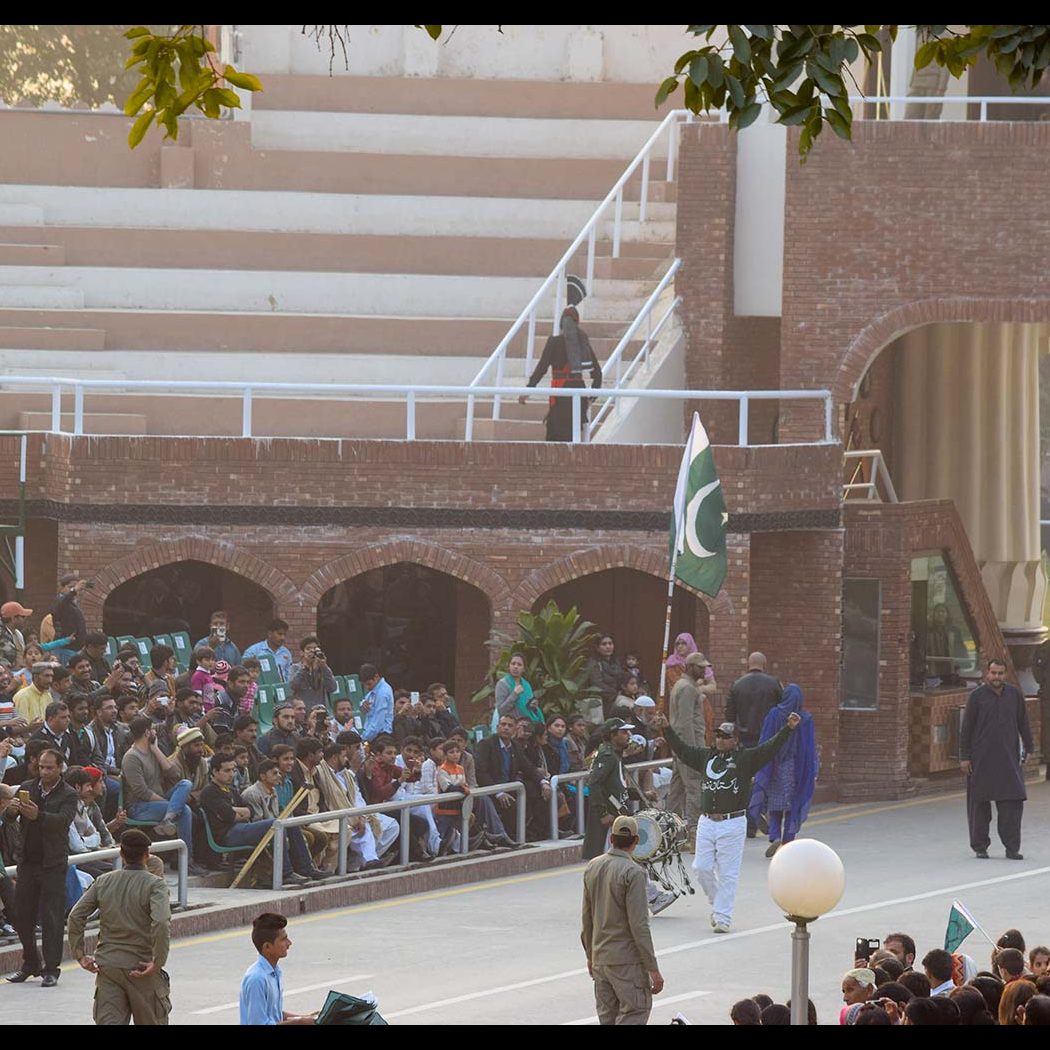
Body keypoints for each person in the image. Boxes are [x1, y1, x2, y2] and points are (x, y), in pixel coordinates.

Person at [658, 713, 800, 932]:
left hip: (732, 822)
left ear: (735, 740)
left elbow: (769, 749)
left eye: (726, 736)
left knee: (728, 873)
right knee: (701, 867)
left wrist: (788, 729)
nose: (720, 740)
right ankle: (718, 904)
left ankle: (723, 918)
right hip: (706, 821)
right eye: (718, 736)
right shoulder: (706, 757)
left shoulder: (745, 759)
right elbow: (683, 750)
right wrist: (667, 729)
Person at [67, 829, 172, 1025]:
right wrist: (158, 962)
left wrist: (80, 954)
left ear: (121, 853)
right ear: (147, 855)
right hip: (142, 967)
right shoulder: (155, 885)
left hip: (109, 967)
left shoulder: (104, 881)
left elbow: (75, 916)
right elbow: (160, 922)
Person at [583, 717, 675, 916]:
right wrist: (603, 813)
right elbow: (594, 784)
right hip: (613, 819)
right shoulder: (607, 756)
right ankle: (649, 898)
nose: (628, 736)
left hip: (618, 817)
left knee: (628, 860)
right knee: (626, 860)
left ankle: (647, 898)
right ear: (612, 734)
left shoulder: (614, 756)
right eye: (624, 732)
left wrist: (641, 794)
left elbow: (616, 789)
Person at [4, 747, 79, 985]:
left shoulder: (67, 794)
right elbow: (7, 818)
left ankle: (51, 969)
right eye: (41, 767)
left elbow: (63, 821)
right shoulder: (28, 787)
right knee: (21, 915)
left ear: (59, 768)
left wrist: (40, 815)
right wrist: (12, 810)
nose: (44, 771)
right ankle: (30, 963)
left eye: (49, 767)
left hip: (53, 863)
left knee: (51, 917)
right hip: (28, 861)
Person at [580, 814, 664, 1026]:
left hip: (601, 960)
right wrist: (652, 968)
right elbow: (639, 925)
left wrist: (591, 956)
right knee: (635, 1011)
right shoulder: (633, 872)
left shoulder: (593, 867)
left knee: (608, 1018)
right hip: (626, 963)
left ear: (611, 838)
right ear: (636, 841)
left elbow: (587, 920)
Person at [960, 656, 1032, 859]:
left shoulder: (1014, 695)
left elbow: (1023, 723)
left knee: (1013, 802)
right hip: (980, 760)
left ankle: (1012, 848)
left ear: (1006, 674)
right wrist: (964, 757)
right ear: (987, 673)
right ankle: (980, 846)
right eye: (993, 673)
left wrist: (1030, 747)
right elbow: (966, 730)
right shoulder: (976, 697)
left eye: (1000, 673)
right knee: (979, 805)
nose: (996, 677)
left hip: (1008, 760)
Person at [121, 715, 207, 876]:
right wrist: (170, 803)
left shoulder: (153, 751)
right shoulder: (131, 757)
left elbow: (174, 774)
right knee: (185, 810)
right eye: (152, 729)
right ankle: (186, 860)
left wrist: (155, 749)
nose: (155, 731)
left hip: (160, 803)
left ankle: (168, 818)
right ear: (147, 732)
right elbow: (142, 792)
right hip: (139, 806)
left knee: (185, 784)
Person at [747, 683, 818, 857]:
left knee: (775, 806)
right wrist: (812, 770)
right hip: (797, 769)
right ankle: (788, 841)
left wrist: (760, 764)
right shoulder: (806, 718)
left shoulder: (774, 714)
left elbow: (765, 740)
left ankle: (775, 836)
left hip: (775, 767)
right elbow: (810, 748)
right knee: (793, 806)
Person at [665, 651, 716, 829]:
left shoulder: (683, 685)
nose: (704, 671)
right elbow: (685, 723)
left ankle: (667, 829)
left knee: (676, 791)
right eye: (700, 667)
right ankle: (694, 832)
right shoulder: (687, 688)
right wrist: (692, 752)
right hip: (688, 747)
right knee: (695, 787)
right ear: (691, 667)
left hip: (681, 746)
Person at [239, 912, 317, 1025]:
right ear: (267, 947)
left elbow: (274, 1014)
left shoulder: (275, 972)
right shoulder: (256, 979)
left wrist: (306, 1018)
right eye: (283, 939)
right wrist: (300, 1022)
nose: (289, 943)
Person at [201, 750, 275, 851]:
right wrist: (239, 812)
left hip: (241, 828)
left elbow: (251, 810)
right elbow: (230, 816)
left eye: (233, 770)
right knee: (275, 824)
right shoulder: (210, 792)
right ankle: (286, 866)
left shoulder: (232, 790)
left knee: (286, 824)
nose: (231, 774)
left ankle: (299, 863)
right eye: (227, 771)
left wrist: (233, 809)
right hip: (226, 835)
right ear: (215, 771)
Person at [493, 653, 542, 729]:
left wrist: (533, 705)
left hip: (529, 725)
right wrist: (514, 694)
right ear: (509, 666)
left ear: (524, 669)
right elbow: (501, 711)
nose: (515, 667)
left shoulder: (526, 685)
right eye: (513, 664)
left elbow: (528, 707)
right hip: (512, 728)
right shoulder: (502, 684)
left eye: (519, 664)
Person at [288, 637, 337, 708]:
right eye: (308, 649)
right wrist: (305, 667)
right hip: (303, 710)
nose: (312, 651)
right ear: (302, 653)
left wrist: (324, 667)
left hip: (319, 708)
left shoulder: (323, 669)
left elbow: (332, 688)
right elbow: (292, 686)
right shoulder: (295, 668)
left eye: (315, 649)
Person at [587, 634, 623, 719]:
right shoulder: (594, 663)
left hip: (616, 698)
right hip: (602, 701)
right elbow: (596, 684)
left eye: (610, 643)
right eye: (604, 644)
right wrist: (615, 694)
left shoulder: (616, 662)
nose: (608, 646)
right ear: (597, 648)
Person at [359, 663, 394, 742]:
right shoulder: (375, 689)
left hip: (380, 736)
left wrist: (364, 738)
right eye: (364, 685)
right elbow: (365, 700)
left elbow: (378, 722)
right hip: (373, 734)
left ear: (376, 677)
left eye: (369, 684)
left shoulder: (383, 693)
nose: (367, 687)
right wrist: (362, 704)